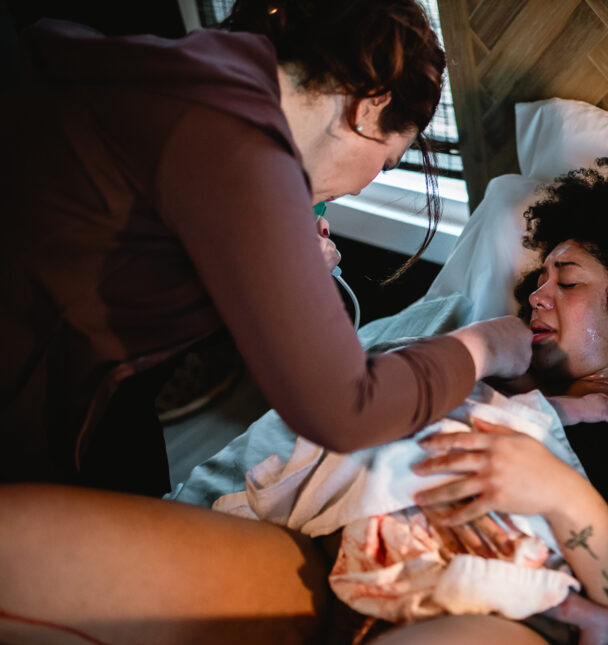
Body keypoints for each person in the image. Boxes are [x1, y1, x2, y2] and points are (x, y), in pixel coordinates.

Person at [0, 158, 608, 645]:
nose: (537, 294)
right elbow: (338, 418)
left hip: (498, 622)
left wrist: (555, 489)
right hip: (324, 566)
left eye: (568, 280)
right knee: (21, 541)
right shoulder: (472, 365)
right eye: (537, 276)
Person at [0, 0, 531, 497]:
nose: (366, 185)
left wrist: (272, 268)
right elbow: (347, 409)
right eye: (388, 161)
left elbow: (144, 254)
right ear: (371, 109)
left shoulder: (206, 72)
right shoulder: (242, 154)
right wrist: (484, 345)